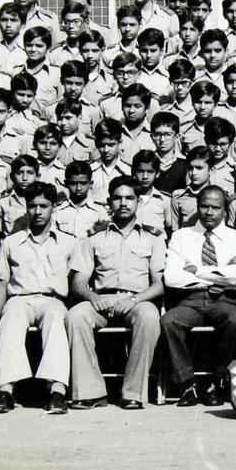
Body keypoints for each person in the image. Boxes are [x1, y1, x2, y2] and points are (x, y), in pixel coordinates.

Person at [66, 176, 166, 410]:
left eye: (129, 198)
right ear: (109, 202)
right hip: (102, 299)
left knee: (149, 317)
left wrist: (134, 300)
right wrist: (93, 297)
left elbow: (160, 284)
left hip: (137, 300)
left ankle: (133, 393)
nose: (123, 203)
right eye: (117, 198)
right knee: (76, 316)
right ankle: (90, 392)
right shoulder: (94, 238)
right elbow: (78, 283)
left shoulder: (153, 238)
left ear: (138, 201)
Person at [0, 182, 77, 415]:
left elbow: (76, 282)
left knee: (56, 319)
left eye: (43, 206)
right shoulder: (11, 242)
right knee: (9, 319)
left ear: (53, 207)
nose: (37, 211)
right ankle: (5, 391)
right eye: (32, 206)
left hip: (53, 299)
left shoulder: (69, 242)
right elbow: (1, 281)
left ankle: (57, 391)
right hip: (20, 298)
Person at [161, 186, 236, 406]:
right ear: (197, 206)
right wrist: (218, 275)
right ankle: (187, 384)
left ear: (225, 210)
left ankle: (218, 381)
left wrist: (195, 270)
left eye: (215, 207)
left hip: (224, 300)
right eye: (204, 206)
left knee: (235, 321)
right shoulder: (181, 237)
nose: (209, 212)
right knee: (169, 321)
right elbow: (172, 278)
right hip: (189, 300)